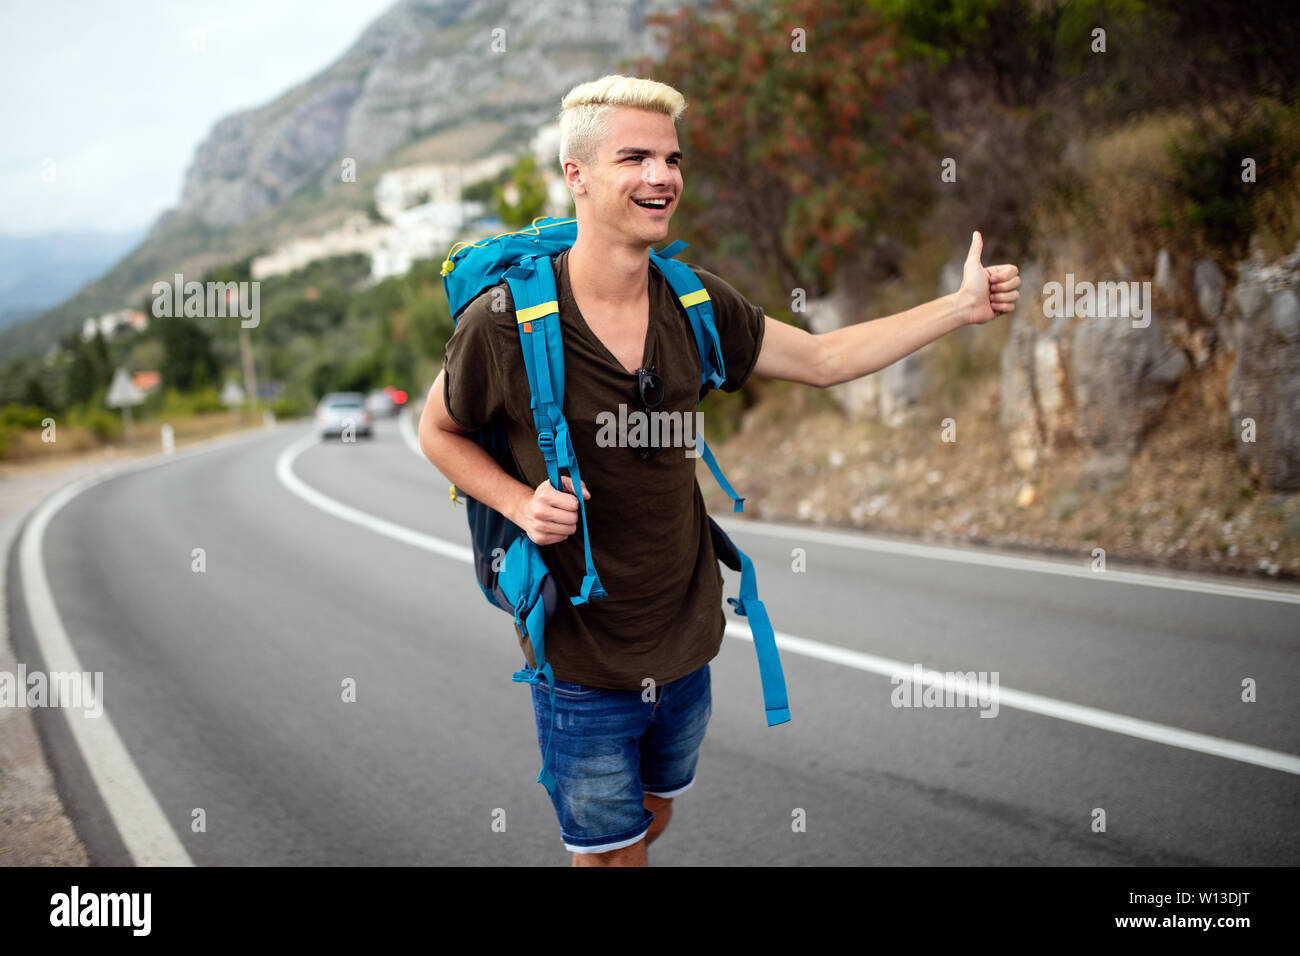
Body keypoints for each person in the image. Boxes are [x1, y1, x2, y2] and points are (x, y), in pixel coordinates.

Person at [418, 74, 1020, 867]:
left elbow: (823, 356)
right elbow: (438, 430)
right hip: (580, 655)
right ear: (578, 175)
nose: (661, 176)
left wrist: (959, 308)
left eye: (671, 158)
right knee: (610, 851)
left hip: (688, 640)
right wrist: (519, 504)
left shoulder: (695, 300)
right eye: (634, 157)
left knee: (651, 814)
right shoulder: (504, 323)